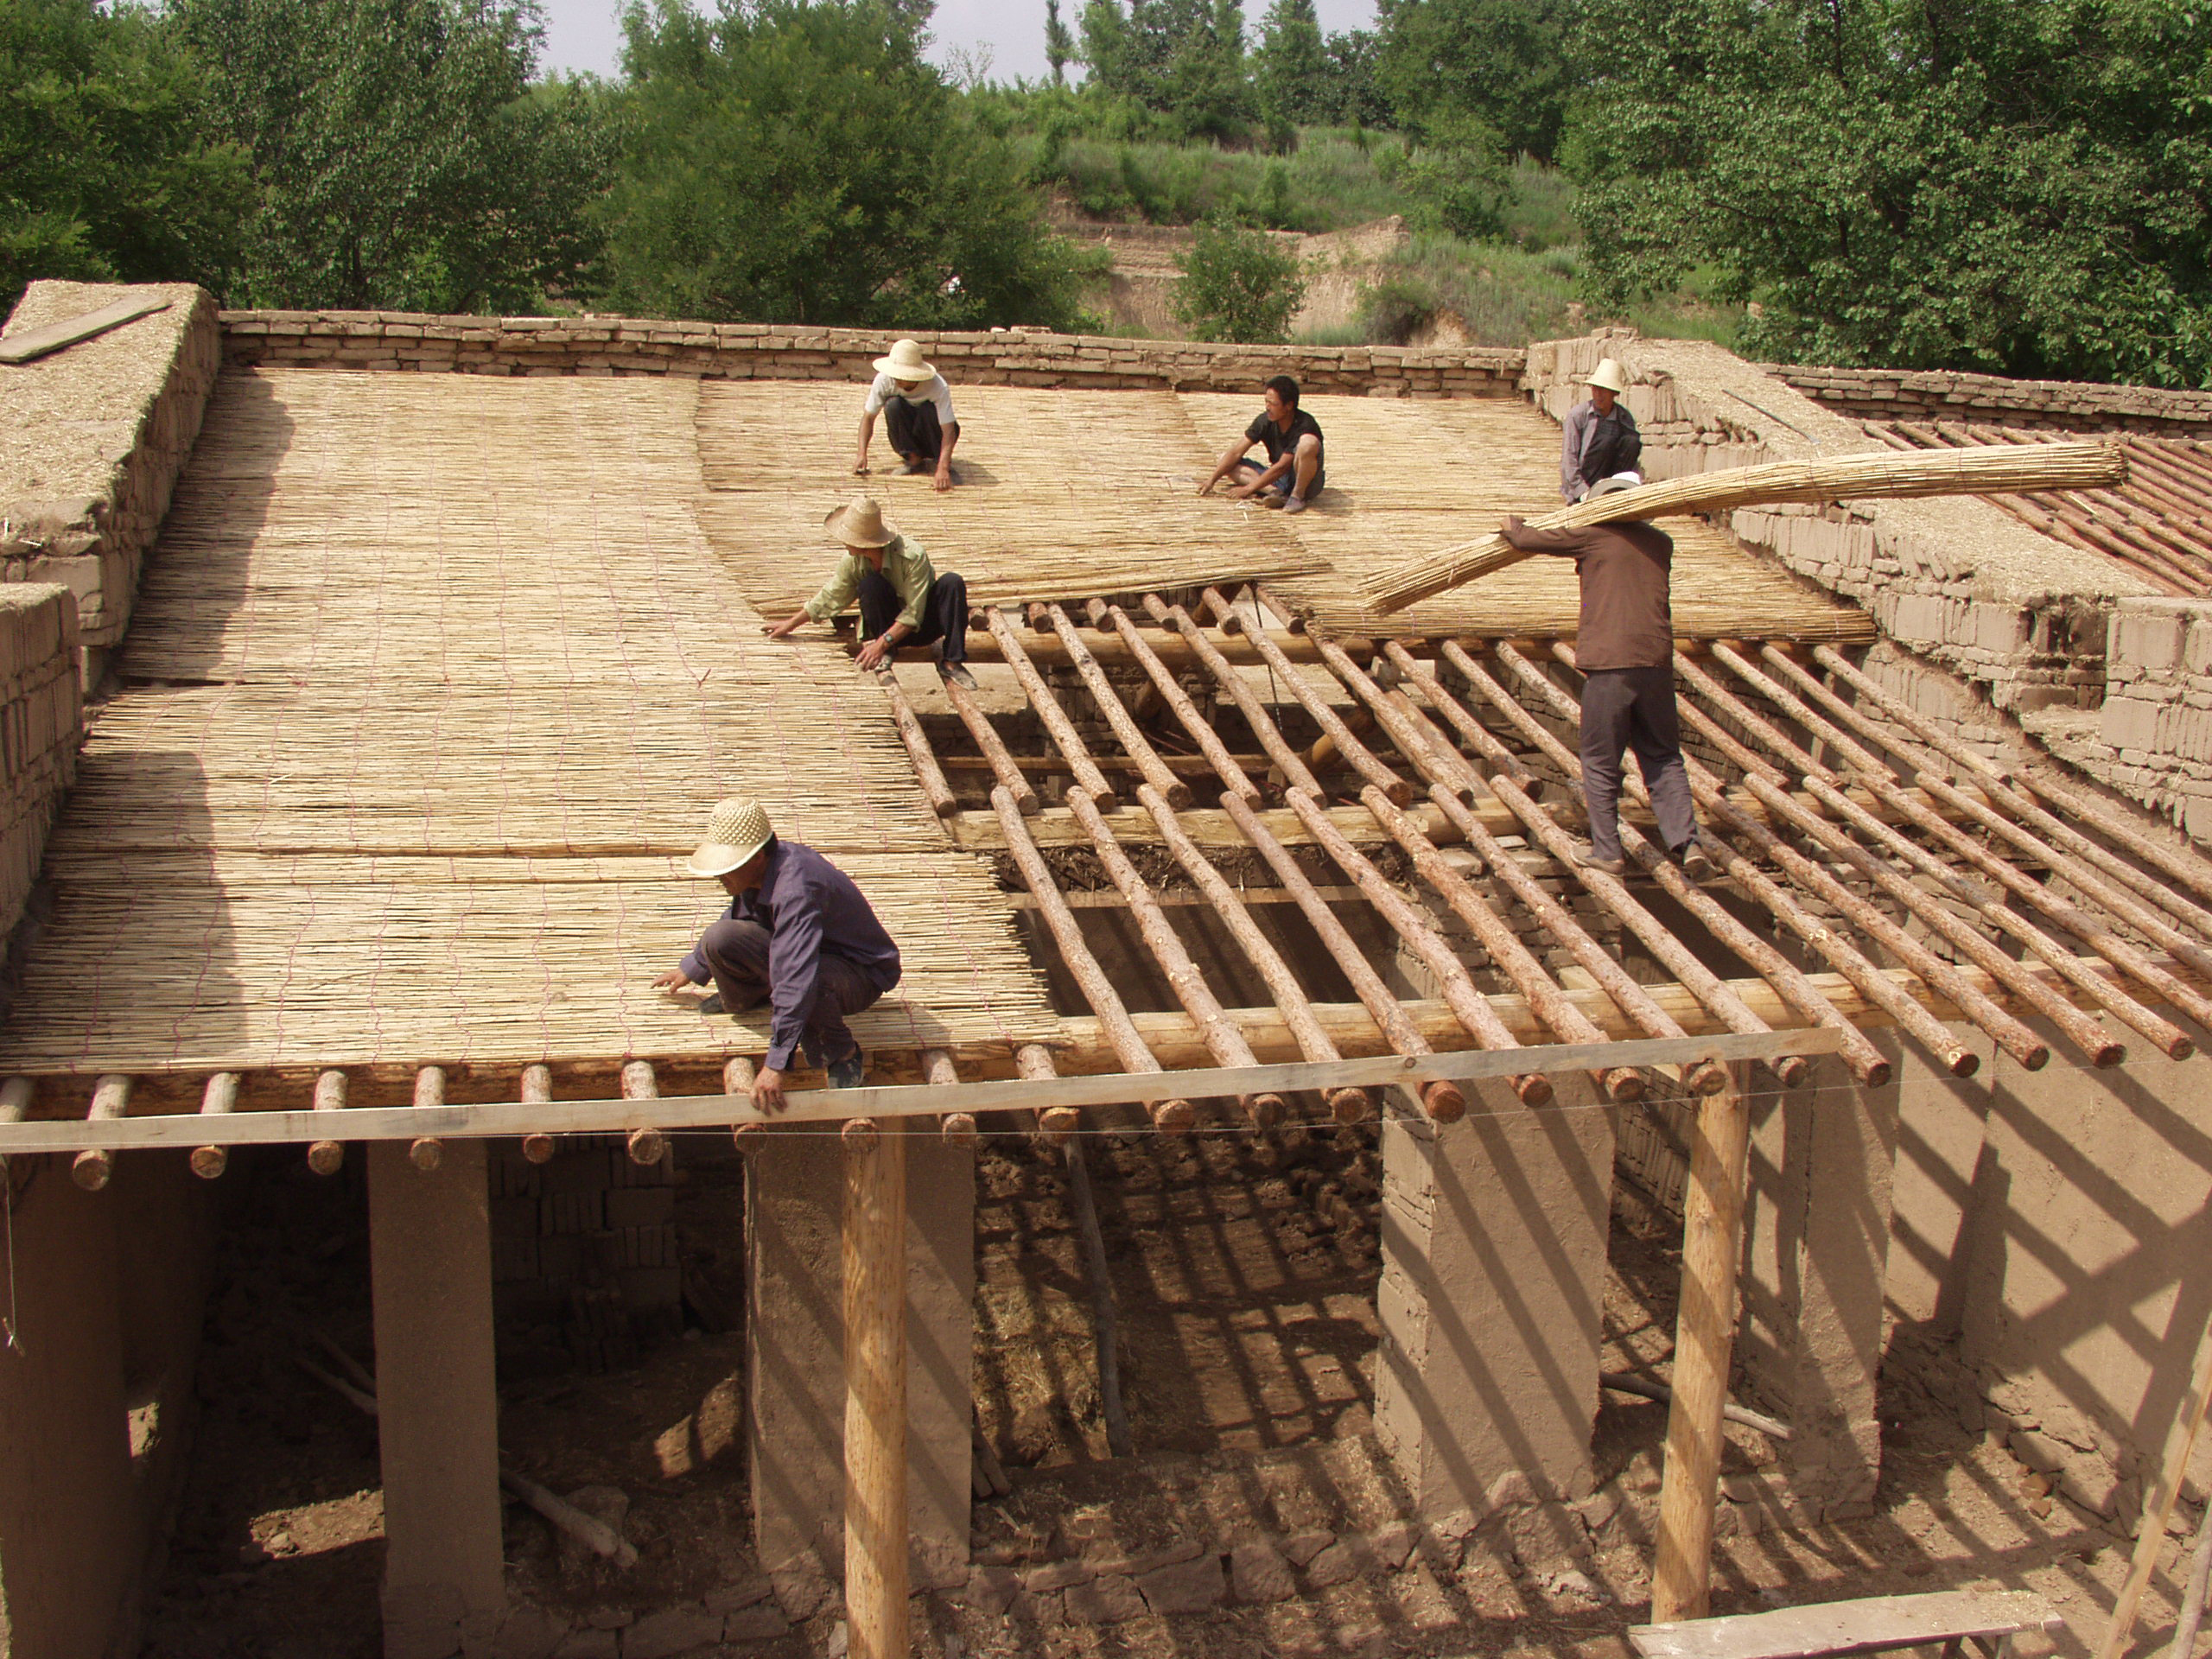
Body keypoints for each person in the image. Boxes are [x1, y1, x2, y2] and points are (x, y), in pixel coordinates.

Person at [1500, 477, 1718, 881]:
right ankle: (1688, 846)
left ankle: (1607, 852)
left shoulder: (1594, 536)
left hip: (1610, 665)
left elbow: (1524, 539)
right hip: (1655, 662)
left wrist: (1511, 523)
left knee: (1600, 760)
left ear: (1599, 508)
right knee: (1664, 756)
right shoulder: (1660, 543)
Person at [652, 797, 903, 1113]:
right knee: (718, 938)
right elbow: (738, 916)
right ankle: (749, 997)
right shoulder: (762, 871)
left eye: (728, 868)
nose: (720, 877)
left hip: (857, 973)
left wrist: (775, 1064)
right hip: (808, 952)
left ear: (757, 858)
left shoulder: (796, 887)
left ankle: (841, 1052)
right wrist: (696, 966)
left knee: (810, 981)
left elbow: (795, 974)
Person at [764, 494, 977, 690]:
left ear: (862, 543)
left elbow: (915, 613)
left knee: (952, 582)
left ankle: (951, 662)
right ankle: (887, 651)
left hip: (922, 626)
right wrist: (790, 624)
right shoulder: (854, 562)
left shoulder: (912, 556)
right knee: (870, 584)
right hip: (884, 630)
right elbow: (831, 595)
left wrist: (879, 644)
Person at [1199, 373, 1325, 514]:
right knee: (1225, 461)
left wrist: (1248, 489)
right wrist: (1212, 479)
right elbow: (1237, 452)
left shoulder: (1305, 424)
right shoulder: (1265, 421)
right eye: (1266, 402)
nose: (1268, 407)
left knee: (1308, 444)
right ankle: (1277, 493)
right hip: (1280, 480)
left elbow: (1283, 466)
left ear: (1288, 406)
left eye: (1273, 404)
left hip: (1304, 480)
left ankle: (1297, 496)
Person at [855, 338, 960, 493]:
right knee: (893, 406)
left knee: (927, 409)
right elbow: (868, 418)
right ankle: (913, 459)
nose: (897, 380)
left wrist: (943, 467)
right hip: (908, 432)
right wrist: (861, 453)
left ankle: (941, 462)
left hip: (932, 436)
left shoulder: (937, 386)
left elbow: (949, 430)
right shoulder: (884, 381)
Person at [1559, 358, 1642, 504]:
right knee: (1605, 441)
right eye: (1595, 389)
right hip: (1584, 481)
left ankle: (1615, 492)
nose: (1598, 394)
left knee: (1632, 441)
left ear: (1614, 393)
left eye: (1603, 390)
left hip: (1610, 477)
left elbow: (1631, 456)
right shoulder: (1578, 416)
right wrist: (1582, 490)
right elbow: (1569, 458)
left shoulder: (1624, 418)